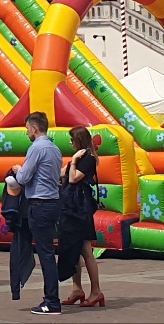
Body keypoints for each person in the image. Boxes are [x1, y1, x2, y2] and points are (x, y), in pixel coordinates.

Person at [9, 110, 64, 315]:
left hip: (39, 204)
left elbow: (24, 178)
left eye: (27, 129)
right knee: (47, 251)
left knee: (45, 253)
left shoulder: (36, 148)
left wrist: (17, 170)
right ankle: (51, 298)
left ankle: (52, 300)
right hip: (53, 202)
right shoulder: (55, 149)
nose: (27, 133)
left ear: (34, 128)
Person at [58, 125, 104, 308]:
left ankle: (96, 291)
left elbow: (73, 178)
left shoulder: (88, 159)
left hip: (80, 208)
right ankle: (77, 288)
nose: (70, 143)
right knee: (72, 247)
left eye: (72, 140)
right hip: (71, 206)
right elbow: (63, 174)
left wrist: (75, 161)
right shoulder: (78, 157)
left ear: (79, 140)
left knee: (85, 249)